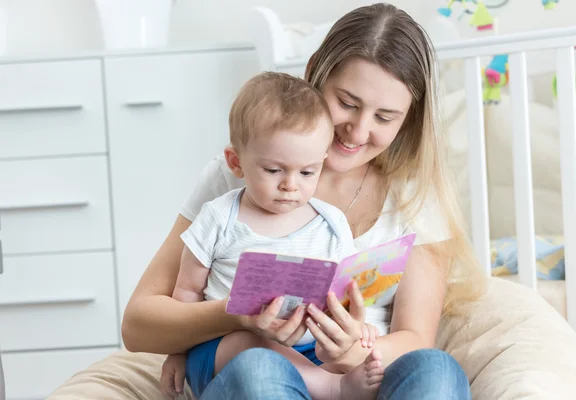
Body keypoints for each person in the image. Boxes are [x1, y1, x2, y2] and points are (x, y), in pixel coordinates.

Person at [121, 3, 486, 399]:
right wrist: (236, 315)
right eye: (347, 102)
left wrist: (355, 352)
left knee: (437, 369)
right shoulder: (241, 174)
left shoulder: (414, 193)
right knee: (260, 367)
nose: (357, 130)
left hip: (358, 377)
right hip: (251, 364)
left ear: (408, 118)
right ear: (315, 71)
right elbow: (139, 325)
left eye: (384, 117)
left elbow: (416, 336)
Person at [159, 71, 384, 400]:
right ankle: (334, 390)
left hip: (307, 351)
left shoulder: (331, 223)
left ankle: (321, 381)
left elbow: (345, 292)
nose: (290, 185)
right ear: (236, 162)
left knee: (324, 349)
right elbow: (187, 292)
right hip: (224, 349)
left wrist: (356, 325)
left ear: (322, 163)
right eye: (274, 170)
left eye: (307, 172)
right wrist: (176, 351)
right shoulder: (218, 217)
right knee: (253, 343)